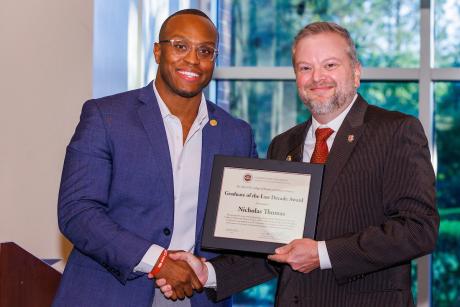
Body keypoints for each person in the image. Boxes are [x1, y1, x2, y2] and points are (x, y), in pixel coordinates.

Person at [156, 21, 439, 306]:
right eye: (305, 68)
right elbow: (273, 250)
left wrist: (323, 254)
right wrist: (209, 272)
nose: (317, 77)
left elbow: (418, 229)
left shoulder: (395, 131)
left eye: (330, 65)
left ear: (355, 72)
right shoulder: (284, 145)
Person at [53, 9, 256, 307]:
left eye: (205, 50)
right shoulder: (106, 117)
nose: (192, 59)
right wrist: (158, 261)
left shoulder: (236, 134)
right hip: (111, 292)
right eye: (180, 46)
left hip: (196, 295)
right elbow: (77, 212)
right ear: (158, 51)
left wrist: (210, 272)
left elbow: (246, 231)